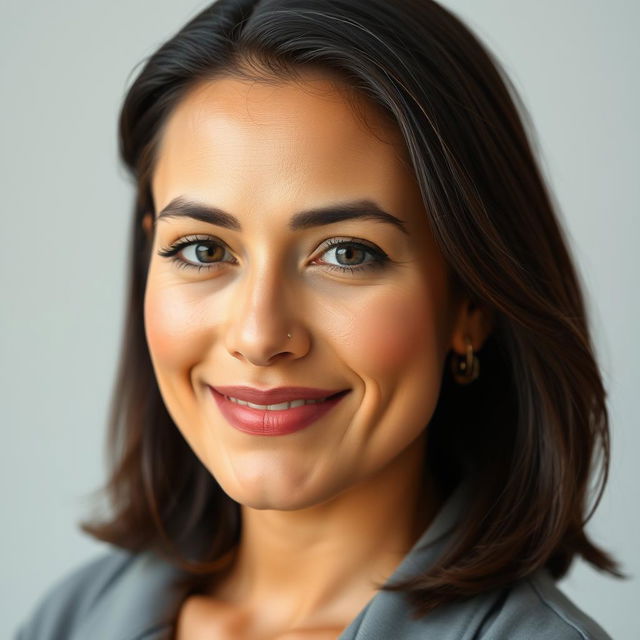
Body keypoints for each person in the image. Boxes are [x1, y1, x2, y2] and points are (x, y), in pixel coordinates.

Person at [15, 0, 624, 638]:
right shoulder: (66, 621)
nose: (258, 336)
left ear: (471, 303)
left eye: (347, 254)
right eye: (203, 250)